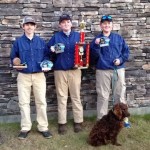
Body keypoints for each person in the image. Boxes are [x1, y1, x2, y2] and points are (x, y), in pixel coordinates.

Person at [10, 16, 52, 140]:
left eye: (31, 24)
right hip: (23, 76)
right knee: (23, 103)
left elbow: (46, 56)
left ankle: (43, 127)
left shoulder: (41, 42)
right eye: (27, 24)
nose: (29, 27)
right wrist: (15, 62)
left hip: (39, 75)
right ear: (23, 27)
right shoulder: (18, 42)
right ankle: (25, 127)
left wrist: (46, 64)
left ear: (35, 27)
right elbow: (13, 57)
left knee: (41, 102)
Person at [47, 14, 83, 135]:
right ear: (60, 25)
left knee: (76, 96)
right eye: (63, 22)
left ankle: (78, 121)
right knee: (61, 98)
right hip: (60, 71)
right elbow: (47, 51)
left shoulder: (78, 36)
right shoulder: (56, 37)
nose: (66, 24)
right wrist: (51, 49)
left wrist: (82, 62)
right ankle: (62, 123)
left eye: (68, 22)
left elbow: (84, 52)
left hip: (75, 71)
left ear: (71, 24)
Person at [90, 15, 130, 120]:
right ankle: (101, 120)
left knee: (120, 95)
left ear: (112, 25)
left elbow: (126, 52)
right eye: (104, 23)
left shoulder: (119, 38)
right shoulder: (96, 40)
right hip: (102, 71)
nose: (106, 25)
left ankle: (122, 119)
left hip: (118, 70)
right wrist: (95, 45)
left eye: (109, 23)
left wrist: (120, 60)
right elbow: (92, 57)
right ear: (101, 25)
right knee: (103, 96)